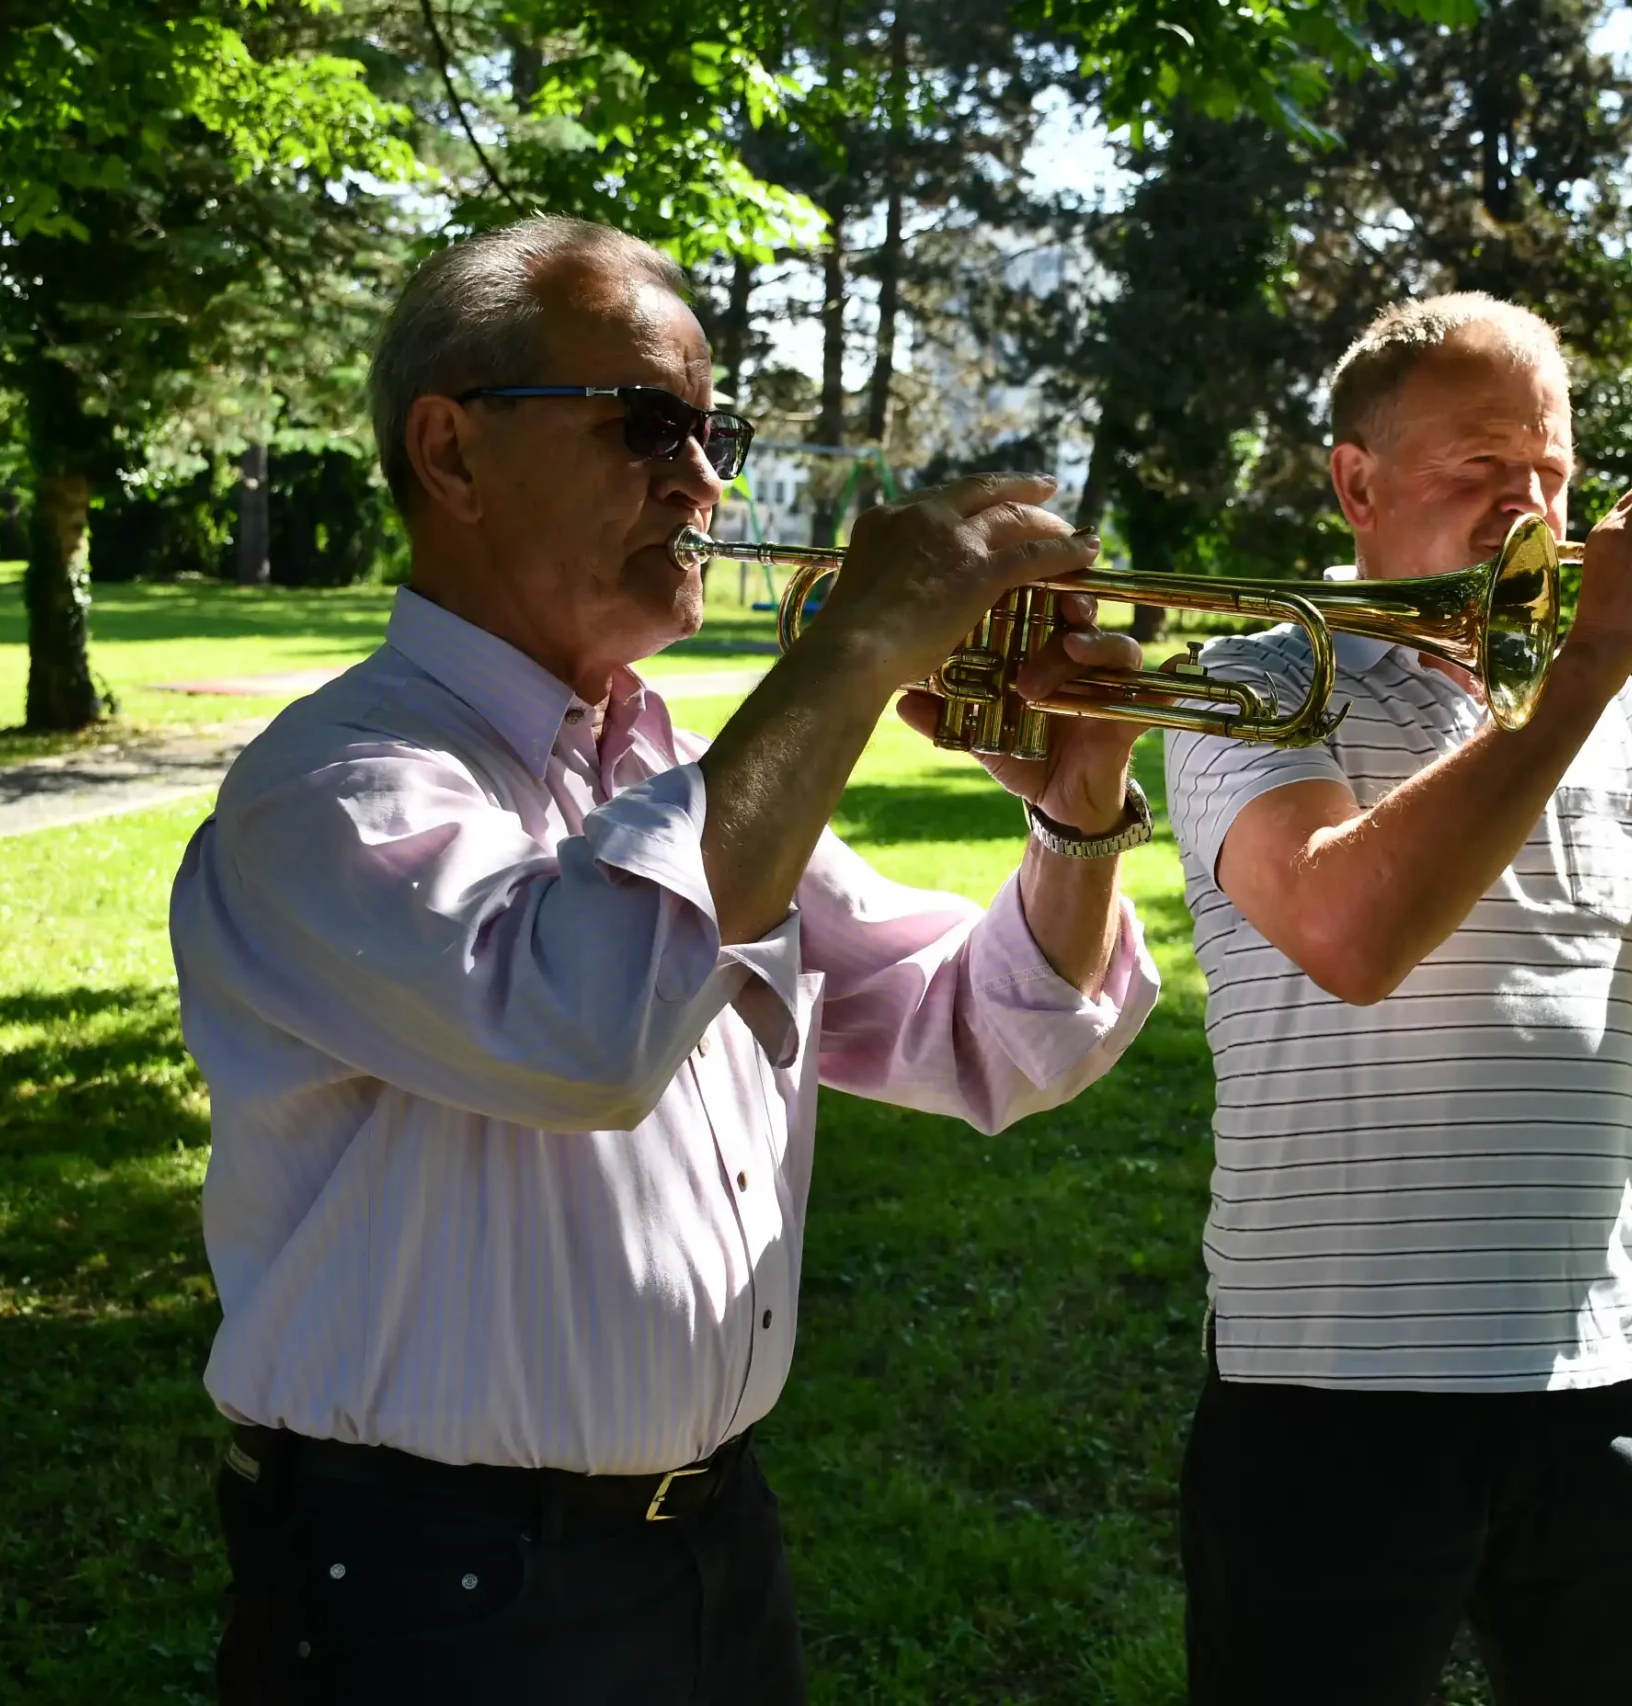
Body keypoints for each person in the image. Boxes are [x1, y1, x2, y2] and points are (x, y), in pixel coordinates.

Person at [169, 216, 1162, 1706]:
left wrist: (1081, 814)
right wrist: (846, 657)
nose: (704, 482)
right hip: (432, 1599)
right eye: (646, 426)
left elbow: (990, 1037)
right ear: (451, 453)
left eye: (715, 433)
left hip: (707, 1553)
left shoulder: (681, 777)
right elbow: (584, 1028)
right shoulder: (336, 788)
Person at [1160, 293, 1632, 1705]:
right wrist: (1590, 661)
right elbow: (1351, 931)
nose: (1533, 508)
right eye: (1482, 467)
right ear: (1356, 482)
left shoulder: (1622, 714)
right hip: (1331, 1392)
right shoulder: (1251, 681)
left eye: (1551, 472)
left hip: (1610, 1384)